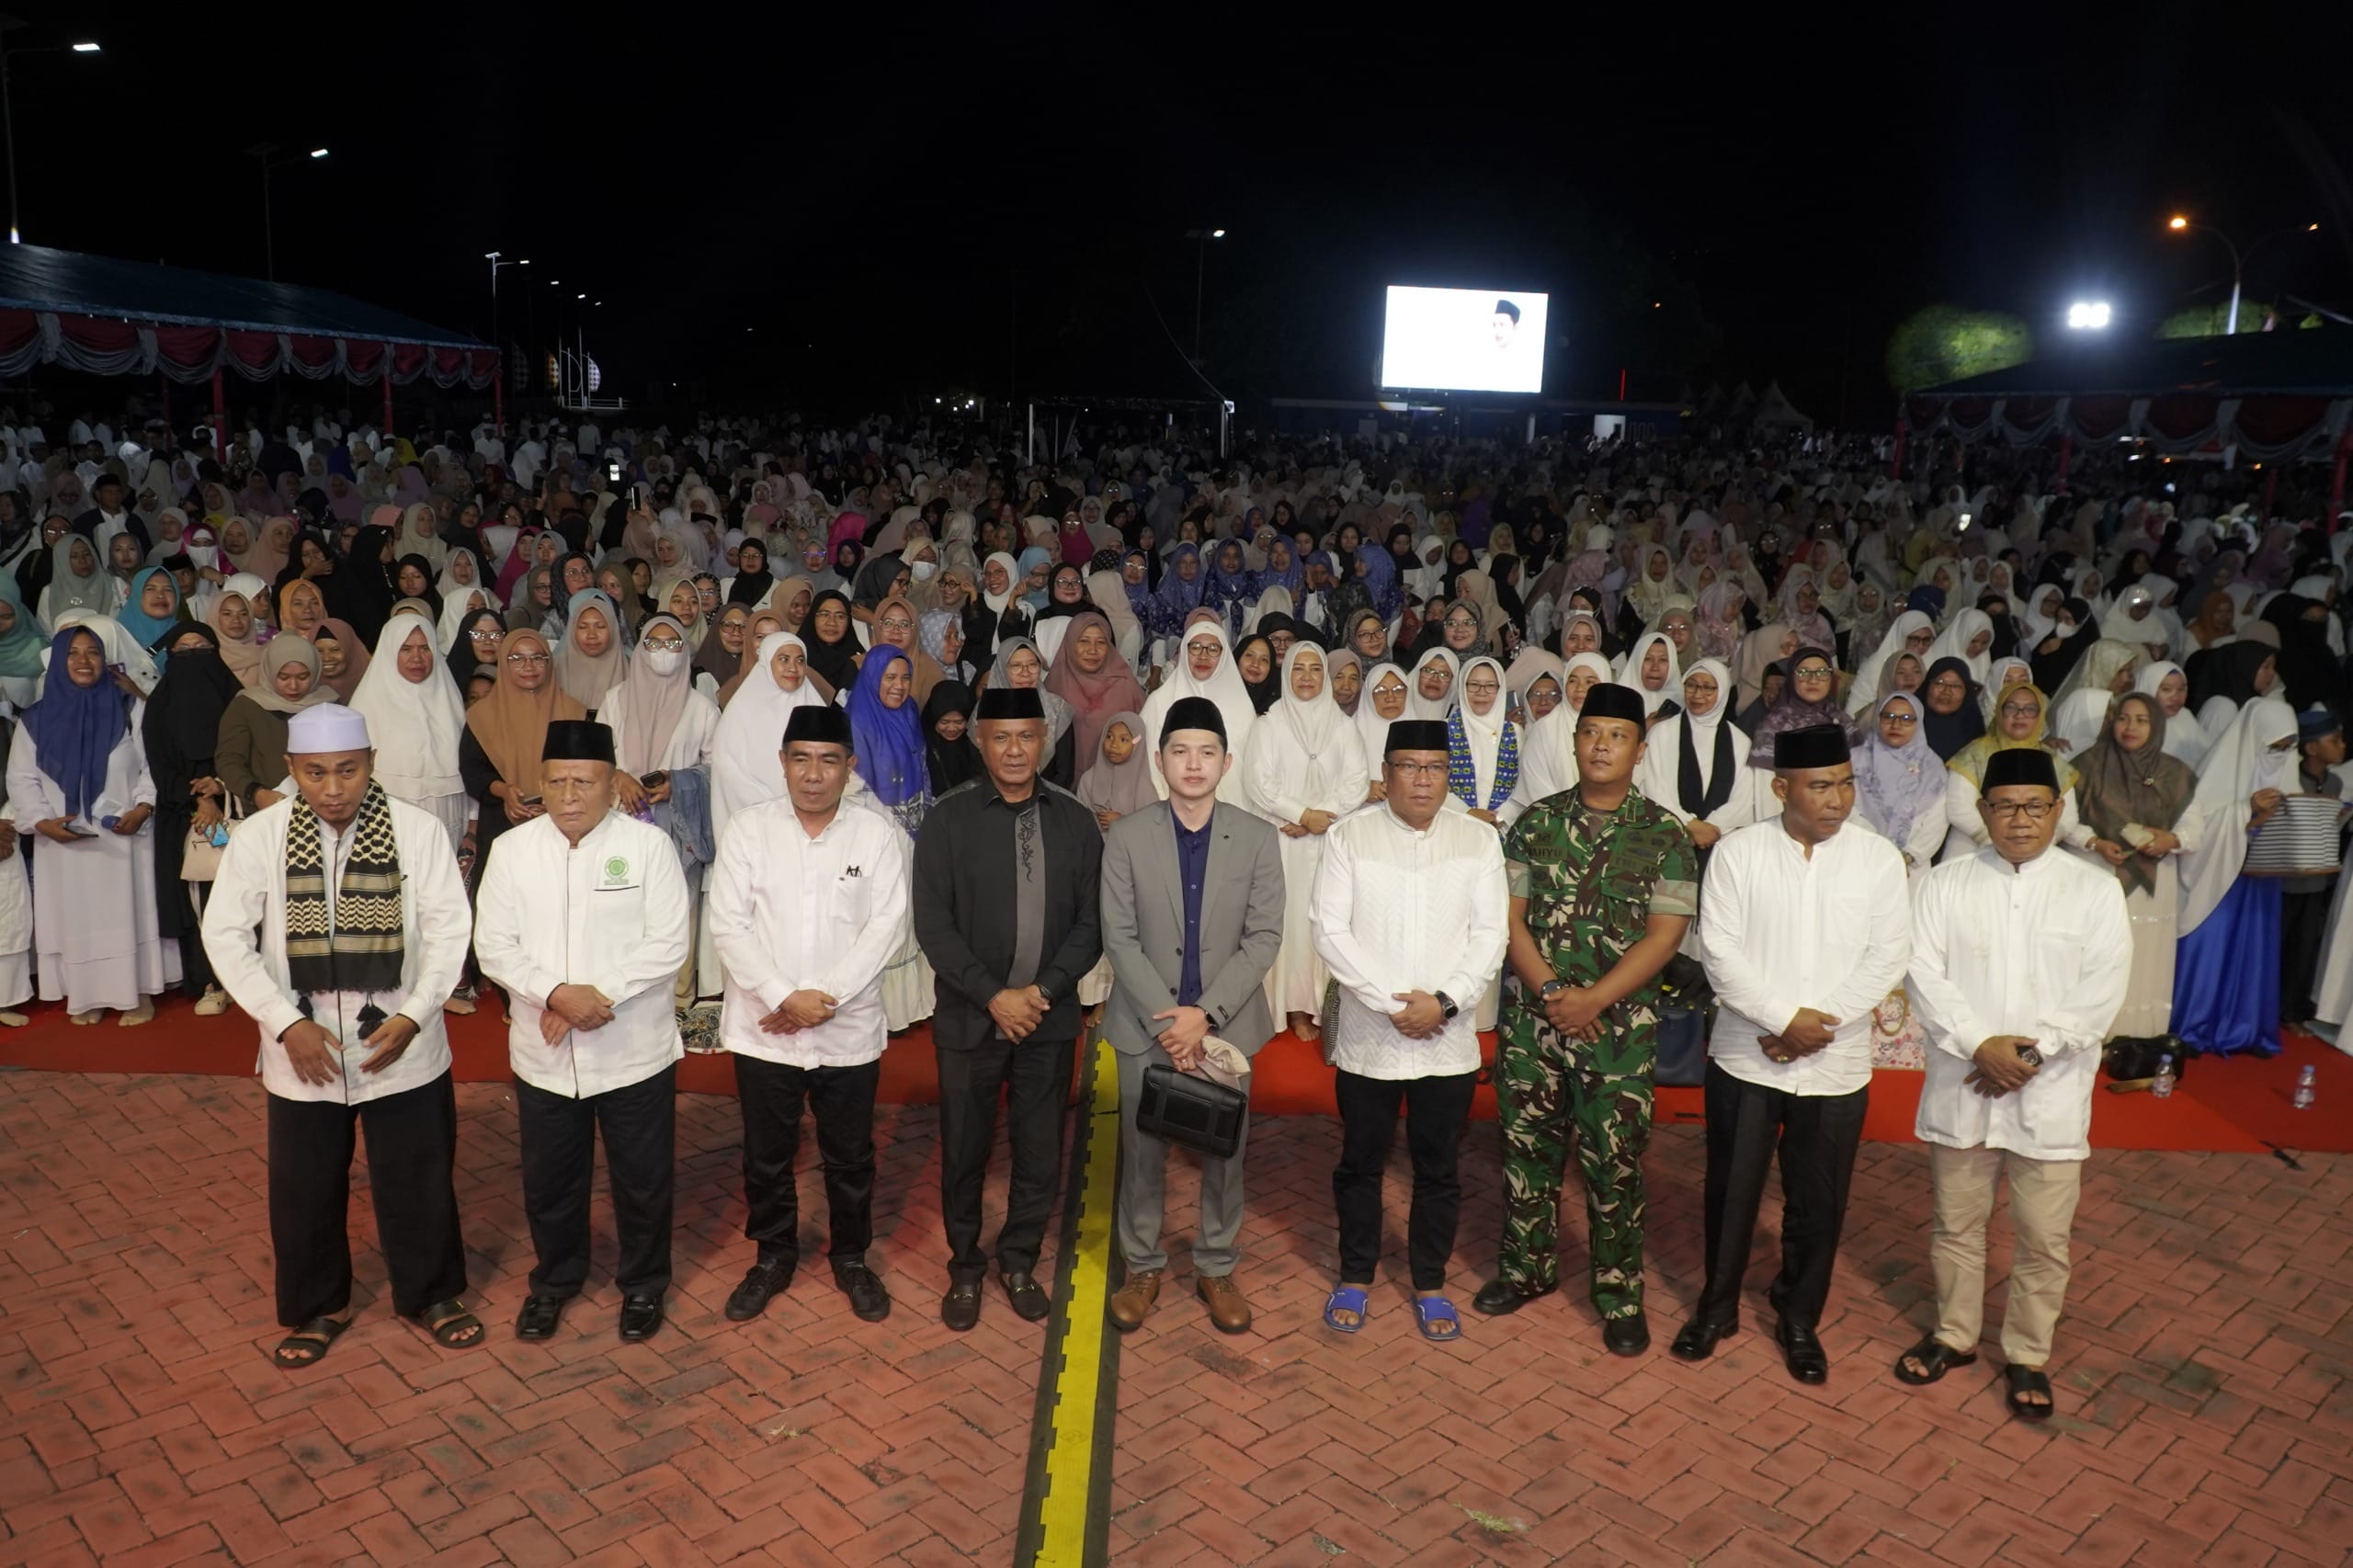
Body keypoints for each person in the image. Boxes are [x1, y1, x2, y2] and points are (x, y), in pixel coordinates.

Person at [199, 704, 482, 1367]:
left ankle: (431, 1293)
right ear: (293, 769)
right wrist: (285, 1022)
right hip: (304, 1047)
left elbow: (448, 930)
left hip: (399, 1040)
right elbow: (226, 936)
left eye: (348, 771)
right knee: (306, 1187)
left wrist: (416, 1013)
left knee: (418, 1176)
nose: (333, 788)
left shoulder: (416, 831)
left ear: (371, 764)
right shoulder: (261, 837)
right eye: (316, 773)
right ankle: (316, 1306)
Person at [1895, 747, 2131, 1422]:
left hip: (2050, 1087)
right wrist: (1980, 1044)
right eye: (2005, 805)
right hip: (1966, 1077)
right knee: (1957, 1224)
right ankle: (1954, 1335)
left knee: (2043, 1237)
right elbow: (1923, 974)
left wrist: (2033, 1051)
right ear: (1982, 812)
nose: (2020, 819)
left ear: (2059, 811)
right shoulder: (1945, 883)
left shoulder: (2093, 889)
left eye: (2035, 805)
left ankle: (2028, 1351)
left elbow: (2102, 988)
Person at [1676, 724, 1912, 1381]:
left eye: (1844, 783)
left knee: (1819, 1198)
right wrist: (1784, 1019)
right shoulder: (1739, 854)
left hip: (1835, 1062)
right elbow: (1720, 954)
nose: (1837, 799)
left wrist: (1816, 1026)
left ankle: (1799, 1315)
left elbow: (1889, 955)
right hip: (1747, 1055)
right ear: (1782, 788)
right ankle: (1716, 1307)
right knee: (1732, 1189)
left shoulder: (1877, 859)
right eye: (1820, 785)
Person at [1474, 684, 1697, 1355]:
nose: (1601, 745)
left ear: (1639, 748)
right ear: (1574, 742)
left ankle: (1619, 1292)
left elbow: (1665, 936)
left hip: (1619, 1034)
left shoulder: (1665, 834)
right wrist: (1549, 994)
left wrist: (1593, 1000)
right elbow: (1508, 919)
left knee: (1616, 1164)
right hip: (1533, 1028)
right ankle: (1526, 1269)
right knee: (1526, 1152)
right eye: (1590, 732)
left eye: (1616, 735)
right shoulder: (1534, 823)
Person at [473, 719, 691, 1343]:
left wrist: (597, 996)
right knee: (551, 1180)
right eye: (558, 781)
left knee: (642, 1179)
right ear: (541, 783)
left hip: (633, 1049)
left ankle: (644, 1285)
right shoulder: (514, 851)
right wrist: (554, 995)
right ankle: (555, 1282)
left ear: (610, 782)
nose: (570, 795)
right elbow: (493, 944)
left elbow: (669, 940)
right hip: (544, 1052)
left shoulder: (646, 847)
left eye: (585, 781)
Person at [1310, 719, 1508, 1343]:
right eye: (1410, 766)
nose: (1424, 780)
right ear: (1387, 773)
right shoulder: (1350, 837)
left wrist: (1444, 1003)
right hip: (1371, 1037)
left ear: (1448, 776)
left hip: (1446, 1040)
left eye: (1435, 768)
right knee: (1361, 1163)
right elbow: (1328, 930)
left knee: (1439, 1167)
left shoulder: (1477, 841)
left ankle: (1429, 1281)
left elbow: (1490, 934)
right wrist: (1388, 1002)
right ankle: (1356, 1274)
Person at [911, 686, 1104, 1329]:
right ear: (979, 741)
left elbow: (1091, 923)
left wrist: (1042, 992)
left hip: (1047, 1021)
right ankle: (965, 1267)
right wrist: (994, 996)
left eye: (1027, 736)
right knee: (964, 1148)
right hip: (970, 1018)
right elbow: (933, 925)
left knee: (1040, 1148)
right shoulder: (948, 818)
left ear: (1044, 740)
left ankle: (1018, 1258)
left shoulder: (1075, 821)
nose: (1015, 749)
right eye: (1001, 737)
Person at [708, 705, 906, 1324]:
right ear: (782, 763)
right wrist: (781, 996)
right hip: (764, 1029)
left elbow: (887, 926)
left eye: (828, 761)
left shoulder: (874, 834)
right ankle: (772, 1255)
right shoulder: (748, 830)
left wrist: (825, 998)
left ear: (850, 767)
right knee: (766, 1153)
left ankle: (851, 1255)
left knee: (850, 1153)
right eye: (801, 759)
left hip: (845, 1029)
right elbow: (728, 923)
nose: (813, 775)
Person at [1098, 696, 1286, 1334]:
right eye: (1180, 751)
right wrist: (1168, 1019)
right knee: (1141, 1147)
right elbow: (1118, 937)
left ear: (1227, 762)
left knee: (1223, 1151)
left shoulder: (1257, 838)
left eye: (1207, 751)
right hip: (1144, 1024)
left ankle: (1215, 1265)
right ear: (1159, 761)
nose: (1194, 763)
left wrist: (1203, 1015)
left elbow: (1264, 936)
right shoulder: (1126, 836)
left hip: (1226, 1027)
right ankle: (1144, 1264)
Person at [9, 626, 176, 1024]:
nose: (84, 661)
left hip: (124, 838)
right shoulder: (34, 720)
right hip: (64, 843)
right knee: (77, 917)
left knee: (126, 912)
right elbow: (20, 779)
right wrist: (41, 822)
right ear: (59, 661)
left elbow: (153, 765)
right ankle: (87, 995)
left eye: (93, 653)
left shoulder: (128, 708)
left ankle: (137, 992)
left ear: (106, 660)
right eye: (73, 653)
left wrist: (143, 807)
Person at [1240, 645, 1368, 1040]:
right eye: (1299, 668)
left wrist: (1316, 816)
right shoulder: (1269, 724)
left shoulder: (1344, 727)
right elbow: (1258, 782)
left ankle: (1321, 1004)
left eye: (1316, 669)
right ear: (1287, 674)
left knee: (1327, 920)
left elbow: (1357, 782)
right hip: (1282, 841)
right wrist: (1299, 814)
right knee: (1288, 923)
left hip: (1328, 841)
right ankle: (1289, 1006)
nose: (1308, 676)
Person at [2069, 693, 2201, 1051]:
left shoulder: (2176, 772)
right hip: (2099, 875)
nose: (2130, 728)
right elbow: (2064, 822)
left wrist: (2170, 839)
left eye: (2142, 720)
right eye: (2123, 718)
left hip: (2155, 885)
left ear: (2156, 726)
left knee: (2145, 958)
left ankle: (2140, 1038)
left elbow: (2195, 827)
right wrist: (2094, 842)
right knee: (2098, 954)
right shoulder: (2087, 765)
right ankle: (2093, 1033)